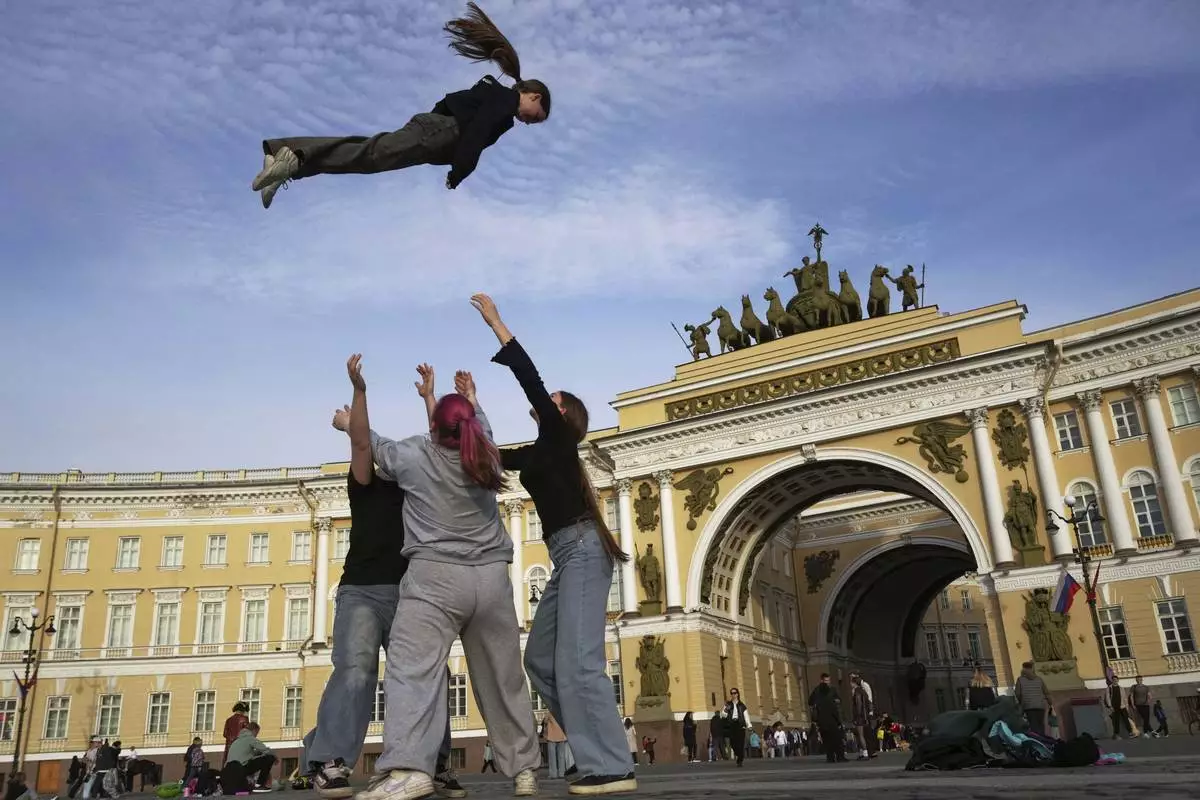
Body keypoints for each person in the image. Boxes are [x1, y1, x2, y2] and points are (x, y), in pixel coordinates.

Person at [347, 355, 540, 800]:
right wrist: (462, 397)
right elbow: (465, 429)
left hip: (435, 579)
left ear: (433, 425)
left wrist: (352, 406)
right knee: (503, 678)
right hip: (491, 581)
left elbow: (366, 441)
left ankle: (410, 768)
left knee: (412, 670)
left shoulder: (413, 455)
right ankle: (525, 769)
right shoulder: (486, 453)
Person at [466, 293, 636, 796]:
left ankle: (613, 765)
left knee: (579, 663)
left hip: (583, 550)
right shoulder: (541, 451)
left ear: (561, 412)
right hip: (566, 559)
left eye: (553, 399)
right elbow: (492, 456)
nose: (544, 401)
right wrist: (469, 408)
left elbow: (530, 379)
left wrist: (497, 324)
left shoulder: (560, 437)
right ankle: (596, 753)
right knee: (540, 660)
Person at [308, 397, 461, 800]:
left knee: (428, 673)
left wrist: (430, 398)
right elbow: (361, 444)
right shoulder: (365, 483)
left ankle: (433, 763)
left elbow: (441, 444)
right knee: (356, 671)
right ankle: (330, 761)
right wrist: (357, 400)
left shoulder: (419, 490)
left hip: (411, 594)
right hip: (361, 590)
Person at [251, 2, 550, 208]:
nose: (529, 122)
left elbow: (452, 104)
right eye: (536, 118)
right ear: (534, 96)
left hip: (434, 130)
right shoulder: (506, 101)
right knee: (371, 155)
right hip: (440, 132)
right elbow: (478, 131)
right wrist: (460, 172)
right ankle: (293, 157)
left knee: (369, 157)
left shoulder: (494, 92)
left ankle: (285, 160)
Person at [223, 722, 277, 793]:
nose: (256, 735)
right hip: (241, 769)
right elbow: (266, 750)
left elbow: (245, 754)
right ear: (254, 730)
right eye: (257, 733)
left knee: (259, 759)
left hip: (229, 770)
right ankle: (259, 785)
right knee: (269, 758)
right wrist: (275, 757)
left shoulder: (237, 741)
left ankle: (254, 784)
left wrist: (258, 753)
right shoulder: (250, 738)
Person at [808, 674, 845, 764]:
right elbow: (835, 707)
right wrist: (839, 721)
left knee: (827, 739)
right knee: (836, 739)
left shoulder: (817, 691)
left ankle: (830, 757)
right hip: (831, 719)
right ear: (822, 680)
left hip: (821, 719)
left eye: (828, 681)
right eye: (826, 681)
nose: (827, 682)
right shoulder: (829, 691)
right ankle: (839, 757)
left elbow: (810, 702)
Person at [1014, 661, 1052, 734]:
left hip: (1028, 706)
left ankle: (1036, 739)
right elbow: (1046, 693)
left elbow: (1017, 693)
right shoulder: (1039, 679)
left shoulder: (1020, 680)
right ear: (1032, 668)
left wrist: (1021, 702)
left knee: (1033, 726)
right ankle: (1042, 738)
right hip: (1040, 706)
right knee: (1041, 725)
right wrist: (1050, 703)